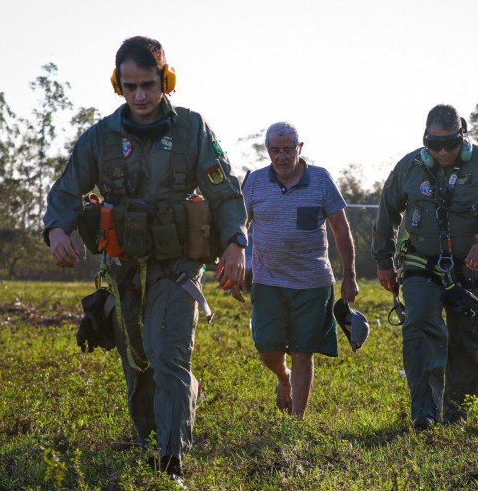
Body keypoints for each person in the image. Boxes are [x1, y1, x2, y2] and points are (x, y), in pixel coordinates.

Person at [43, 36, 247, 480]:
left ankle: (171, 459)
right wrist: (58, 230)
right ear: (118, 84)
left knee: (169, 355)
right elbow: (65, 191)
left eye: (148, 85)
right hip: (124, 271)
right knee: (138, 367)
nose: (139, 96)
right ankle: (153, 441)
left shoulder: (193, 130)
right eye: (130, 86)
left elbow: (225, 191)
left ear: (166, 80)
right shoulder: (100, 138)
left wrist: (235, 242)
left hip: (178, 268)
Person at [372, 104, 478, 430]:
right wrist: (383, 262)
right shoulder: (409, 167)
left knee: (469, 343)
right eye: (434, 145)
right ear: (425, 140)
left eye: (449, 143)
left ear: (461, 136)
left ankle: (455, 414)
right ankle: (424, 413)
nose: (443, 151)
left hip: (471, 268)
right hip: (422, 266)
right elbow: (387, 213)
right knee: (420, 330)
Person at [242, 121, 359, 418]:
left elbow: (341, 230)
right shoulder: (255, 182)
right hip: (267, 280)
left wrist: (350, 275)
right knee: (268, 348)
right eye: (275, 150)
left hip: (312, 282)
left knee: (302, 351)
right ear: (268, 150)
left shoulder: (320, 180)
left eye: (287, 150)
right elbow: (239, 228)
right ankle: (284, 378)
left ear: (299, 148)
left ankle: (297, 419)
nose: (281, 157)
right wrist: (236, 267)